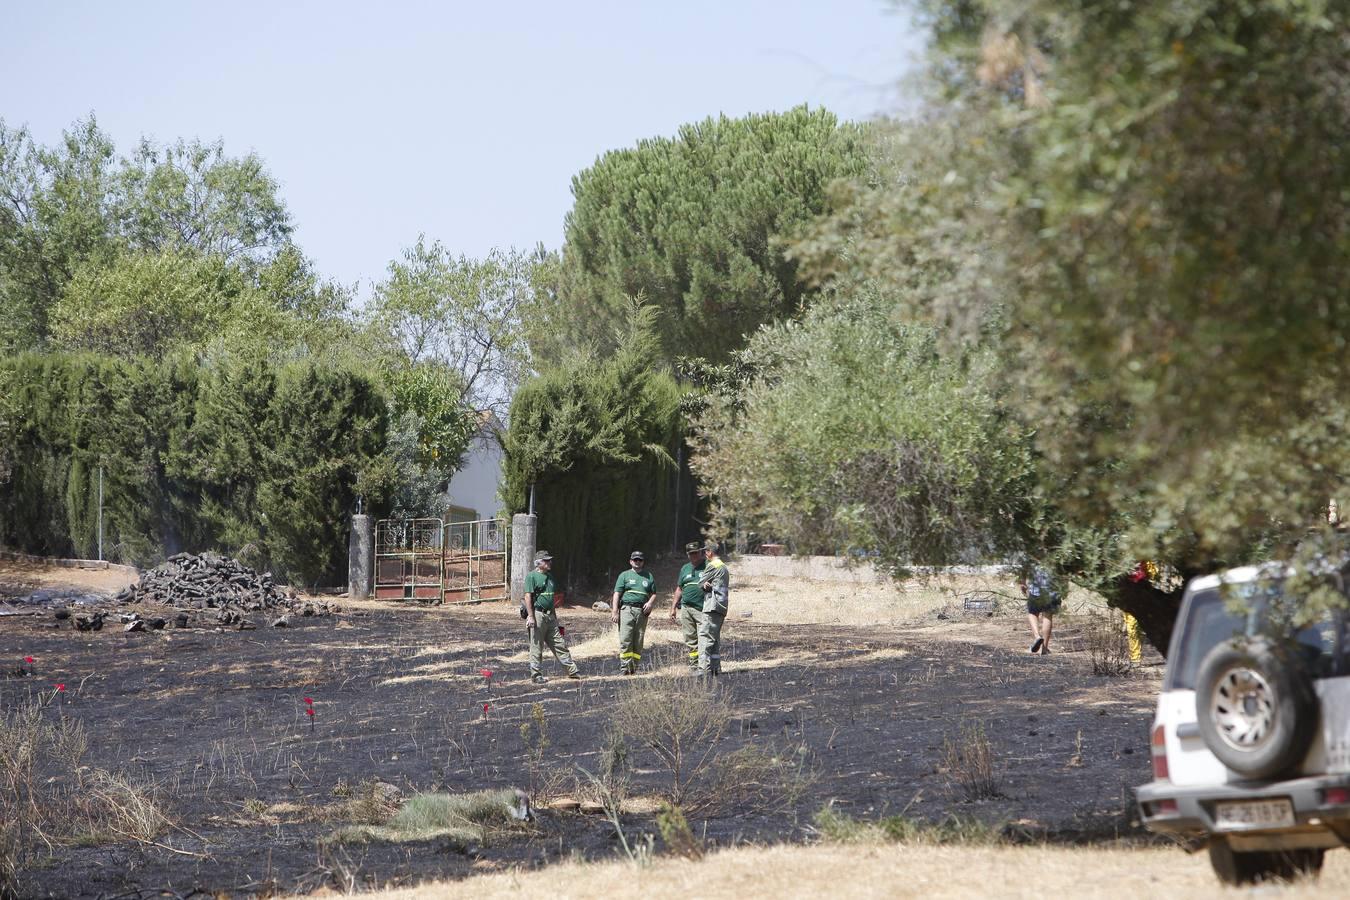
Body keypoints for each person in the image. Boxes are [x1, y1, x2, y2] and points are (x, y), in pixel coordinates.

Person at [524, 551, 580, 684]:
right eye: (546, 560)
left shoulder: (550, 577)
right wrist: (531, 617)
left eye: (550, 560)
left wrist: (555, 619)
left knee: (559, 644)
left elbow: (551, 600)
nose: (550, 563)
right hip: (538, 615)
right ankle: (536, 675)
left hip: (551, 616)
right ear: (539, 563)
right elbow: (528, 597)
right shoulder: (531, 577)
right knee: (536, 646)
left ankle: (572, 671)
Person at [611, 550, 656, 675]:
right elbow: (617, 594)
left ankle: (634, 667)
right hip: (627, 610)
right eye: (635, 560)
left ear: (643, 562)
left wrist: (650, 603)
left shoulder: (648, 576)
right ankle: (625, 668)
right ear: (631, 561)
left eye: (640, 560)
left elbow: (653, 594)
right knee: (626, 638)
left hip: (642, 611)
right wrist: (615, 611)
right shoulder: (624, 575)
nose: (637, 562)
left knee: (638, 639)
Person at [670, 541, 709, 671]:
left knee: (704, 637)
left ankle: (705, 664)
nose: (694, 556)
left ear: (701, 552)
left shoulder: (708, 565)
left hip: (703, 608)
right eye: (691, 554)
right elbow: (679, 588)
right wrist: (673, 608)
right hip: (686, 608)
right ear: (688, 555)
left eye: (696, 553)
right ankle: (694, 664)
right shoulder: (685, 568)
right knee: (690, 637)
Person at [697, 541, 729, 676]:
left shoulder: (713, 565)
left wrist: (704, 584)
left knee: (705, 637)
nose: (705, 554)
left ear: (710, 552)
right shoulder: (724, 567)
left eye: (705, 551)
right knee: (714, 638)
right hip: (721, 606)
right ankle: (715, 668)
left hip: (711, 606)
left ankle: (702, 669)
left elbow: (699, 582)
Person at [1021, 563, 1060, 655]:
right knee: (1047, 616)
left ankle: (1037, 637)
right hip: (1053, 590)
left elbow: (1025, 564)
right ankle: (1044, 649)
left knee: (1032, 614)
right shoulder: (1056, 549)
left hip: (1036, 590)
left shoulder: (1033, 549)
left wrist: (1023, 582)